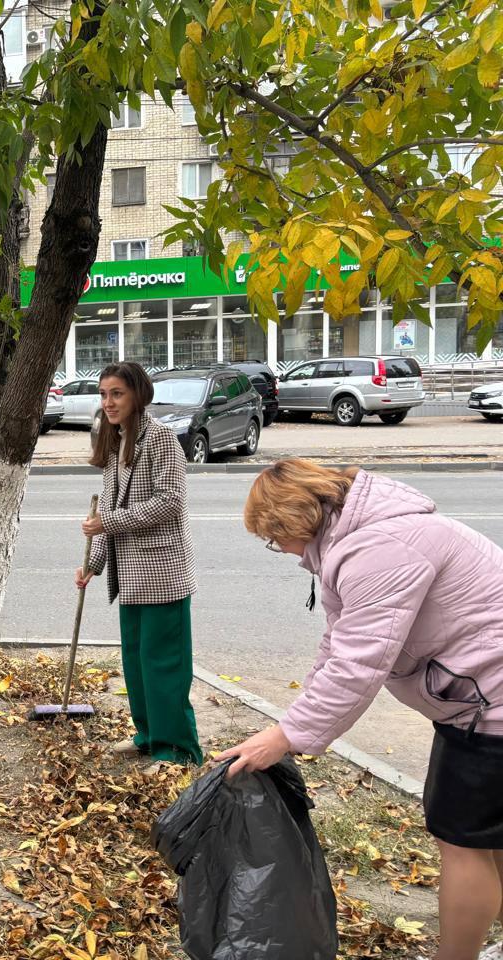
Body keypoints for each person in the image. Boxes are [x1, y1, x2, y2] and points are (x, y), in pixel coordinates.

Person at [222, 459, 503, 960]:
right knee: (491, 838)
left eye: (273, 537)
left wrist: (285, 738)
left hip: (491, 708)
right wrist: (291, 723)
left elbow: (358, 664)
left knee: (463, 844)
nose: (280, 550)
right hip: (478, 701)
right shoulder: (364, 536)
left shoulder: (379, 550)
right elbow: (338, 644)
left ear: (293, 521)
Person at [75, 361, 202, 765]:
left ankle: (178, 750)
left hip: (163, 573)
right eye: (103, 394)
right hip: (130, 576)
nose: (108, 402)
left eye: (117, 394)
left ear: (138, 396)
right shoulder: (117, 441)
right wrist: (94, 564)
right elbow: (109, 509)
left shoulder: (162, 439)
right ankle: (148, 735)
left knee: (165, 664)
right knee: (137, 662)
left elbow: (169, 502)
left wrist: (106, 522)